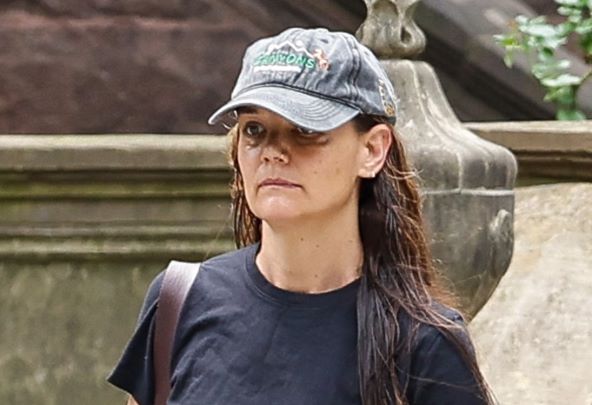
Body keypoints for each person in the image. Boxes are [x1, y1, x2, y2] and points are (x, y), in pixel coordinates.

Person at [108, 27, 495, 405]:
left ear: (372, 150)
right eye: (254, 129)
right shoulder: (180, 300)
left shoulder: (423, 344)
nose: (273, 152)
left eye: (306, 130)